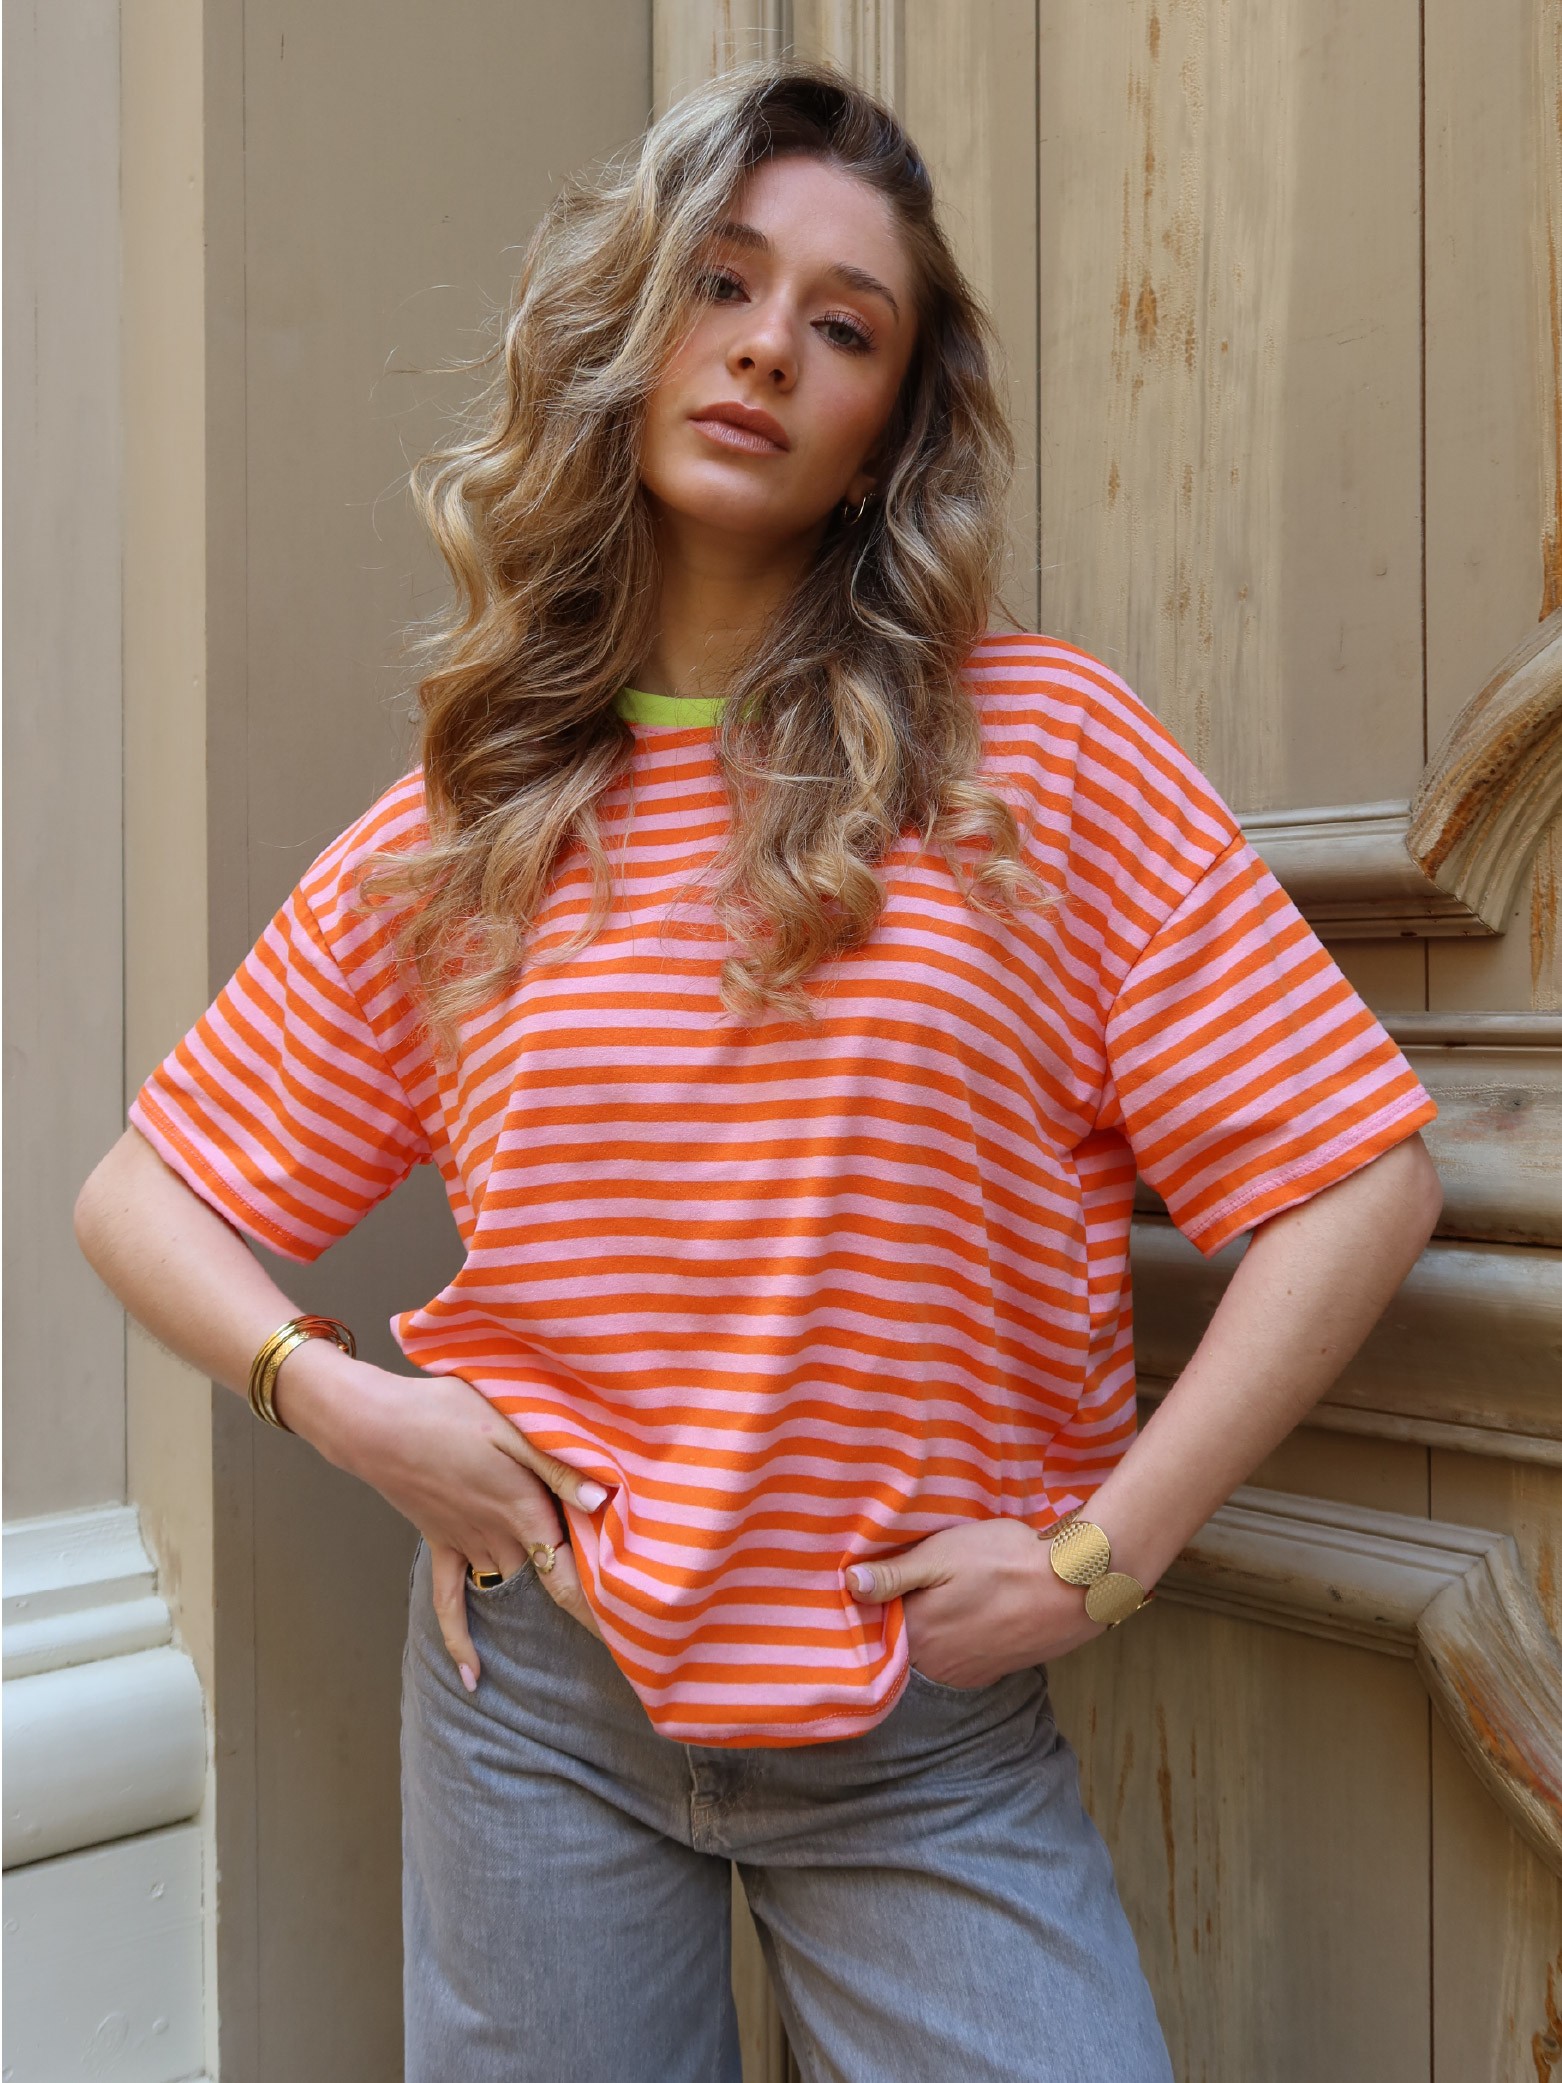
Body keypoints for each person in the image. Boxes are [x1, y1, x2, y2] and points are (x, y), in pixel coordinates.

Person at [75, 60, 1442, 2083]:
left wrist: (1103, 1555)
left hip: (923, 1734)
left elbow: (1360, 1179)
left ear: (891, 424)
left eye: (843, 325)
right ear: (628, 326)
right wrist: (356, 1410)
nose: (767, 349)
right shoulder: (481, 817)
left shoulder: (1036, 759)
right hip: (535, 1711)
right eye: (720, 282)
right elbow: (140, 1196)